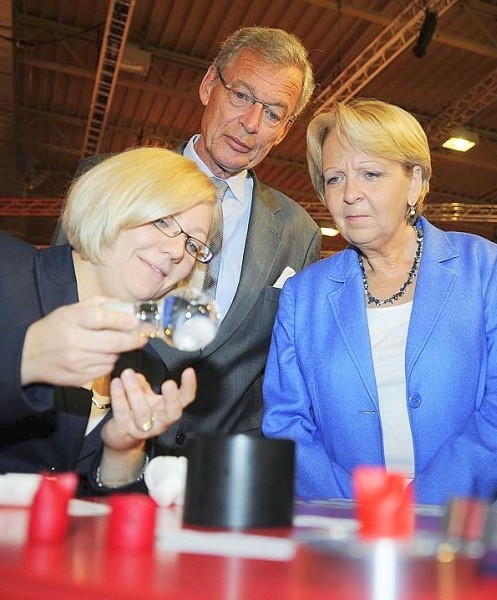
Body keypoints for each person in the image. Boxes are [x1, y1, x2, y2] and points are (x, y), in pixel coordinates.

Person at [54, 27, 321, 455]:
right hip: (96, 453)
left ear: (285, 129)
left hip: (219, 473)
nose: (251, 124)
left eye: (273, 113)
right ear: (208, 85)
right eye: (241, 96)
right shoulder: (110, 179)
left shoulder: (298, 231)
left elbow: (286, 370)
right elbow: (57, 309)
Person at [262, 98, 497, 505]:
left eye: (370, 174)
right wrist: (364, 511)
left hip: (465, 521)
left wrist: (420, 506)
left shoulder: (484, 268)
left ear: (415, 182)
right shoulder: (304, 296)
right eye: (335, 179)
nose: (350, 194)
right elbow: (286, 423)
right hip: (345, 523)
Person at [1, 147, 215, 492]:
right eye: (163, 220)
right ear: (114, 202)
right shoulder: (7, 270)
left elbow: (106, 503)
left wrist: (123, 450)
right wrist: (22, 359)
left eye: (193, 245)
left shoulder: (148, 369)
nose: (177, 252)